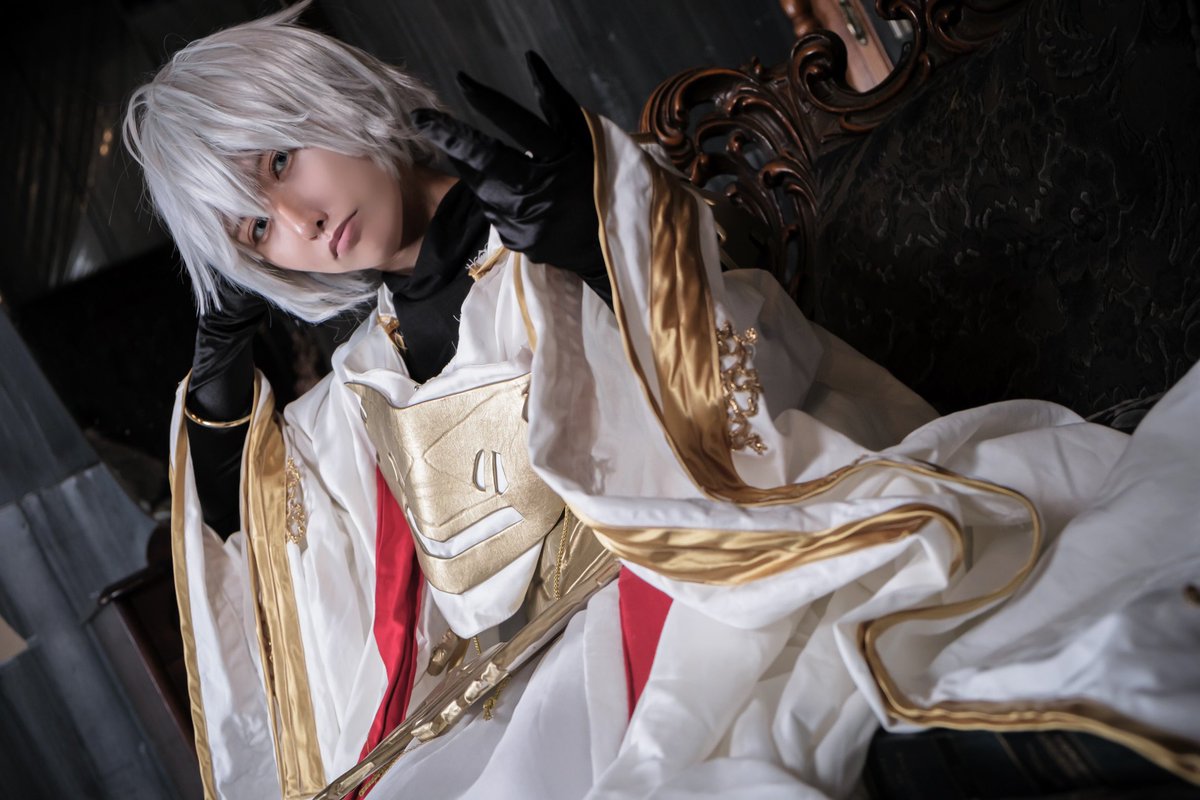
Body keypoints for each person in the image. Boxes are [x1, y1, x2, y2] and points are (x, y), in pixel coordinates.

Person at [124, 2, 1200, 799]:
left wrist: (603, 250)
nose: (300, 224)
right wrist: (215, 422)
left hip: (696, 586)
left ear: (327, 95)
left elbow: (763, 373)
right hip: (502, 696)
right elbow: (286, 590)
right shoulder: (361, 384)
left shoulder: (561, 205)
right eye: (254, 230)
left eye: (282, 160)